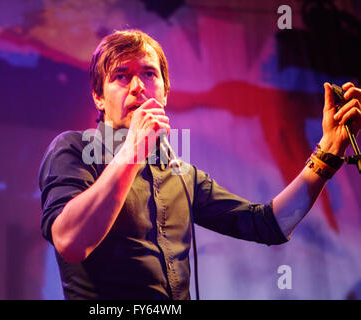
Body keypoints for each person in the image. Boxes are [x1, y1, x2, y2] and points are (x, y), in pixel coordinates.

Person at [39, 29, 361, 300]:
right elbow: (70, 242)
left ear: (165, 91)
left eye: (149, 74)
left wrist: (327, 153)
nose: (137, 86)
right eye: (121, 76)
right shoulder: (74, 149)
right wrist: (132, 153)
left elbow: (269, 224)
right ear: (98, 96)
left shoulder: (182, 175)